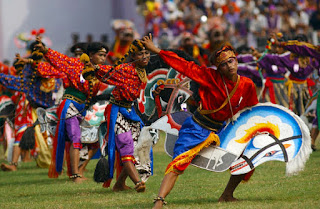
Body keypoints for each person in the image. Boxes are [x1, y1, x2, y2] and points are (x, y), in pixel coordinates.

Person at [141, 34, 258, 208]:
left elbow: (250, 110)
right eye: (223, 64)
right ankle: (159, 201)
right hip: (197, 127)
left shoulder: (247, 84)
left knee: (248, 156)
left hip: (222, 130)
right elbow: (183, 65)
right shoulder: (209, 76)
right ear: (218, 68)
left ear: (236, 60)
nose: (229, 66)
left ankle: (227, 195)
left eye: (231, 61)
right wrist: (156, 50)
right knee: (179, 162)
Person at [28, 39, 107, 182]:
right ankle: (75, 175)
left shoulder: (100, 72)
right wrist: (45, 50)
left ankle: (79, 171)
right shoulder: (76, 64)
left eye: (105, 55)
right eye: (101, 55)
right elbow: (60, 59)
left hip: (83, 109)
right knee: (75, 138)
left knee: (93, 140)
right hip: (69, 105)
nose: (103, 58)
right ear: (91, 54)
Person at [93, 39, 152, 192]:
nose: (144, 56)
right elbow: (108, 71)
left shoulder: (142, 71)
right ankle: (138, 182)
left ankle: (119, 185)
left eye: (147, 53)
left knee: (136, 148)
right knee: (127, 146)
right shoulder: (126, 68)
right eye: (141, 53)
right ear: (133, 56)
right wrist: (95, 68)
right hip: (117, 111)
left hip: (130, 112)